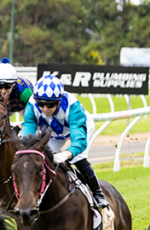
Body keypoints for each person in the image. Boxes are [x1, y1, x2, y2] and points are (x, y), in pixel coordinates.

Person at [22, 74, 108, 209]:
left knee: (77, 157)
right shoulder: (32, 105)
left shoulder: (73, 107)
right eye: (41, 104)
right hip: (54, 131)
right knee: (40, 157)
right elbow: (28, 138)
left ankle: (98, 194)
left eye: (50, 105)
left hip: (78, 127)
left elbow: (79, 141)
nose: (45, 109)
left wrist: (66, 154)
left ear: (58, 101)